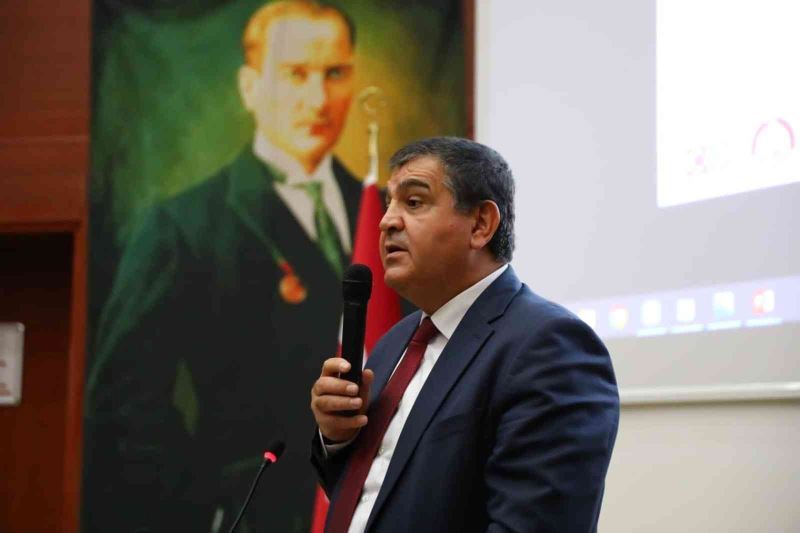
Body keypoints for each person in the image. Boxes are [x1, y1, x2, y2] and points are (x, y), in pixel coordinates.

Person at [83, 2, 362, 531]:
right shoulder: (184, 226)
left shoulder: (383, 212)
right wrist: (212, 504)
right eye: (295, 74)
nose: (318, 99)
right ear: (250, 88)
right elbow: (124, 405)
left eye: (335, 74)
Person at [310, 137, 620, 532]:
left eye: (414, 202)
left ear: (480, 224)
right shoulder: (393, 345)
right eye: (388, 203)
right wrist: (336, 438)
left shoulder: (550, 347)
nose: (387, 221)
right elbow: (372, 499)